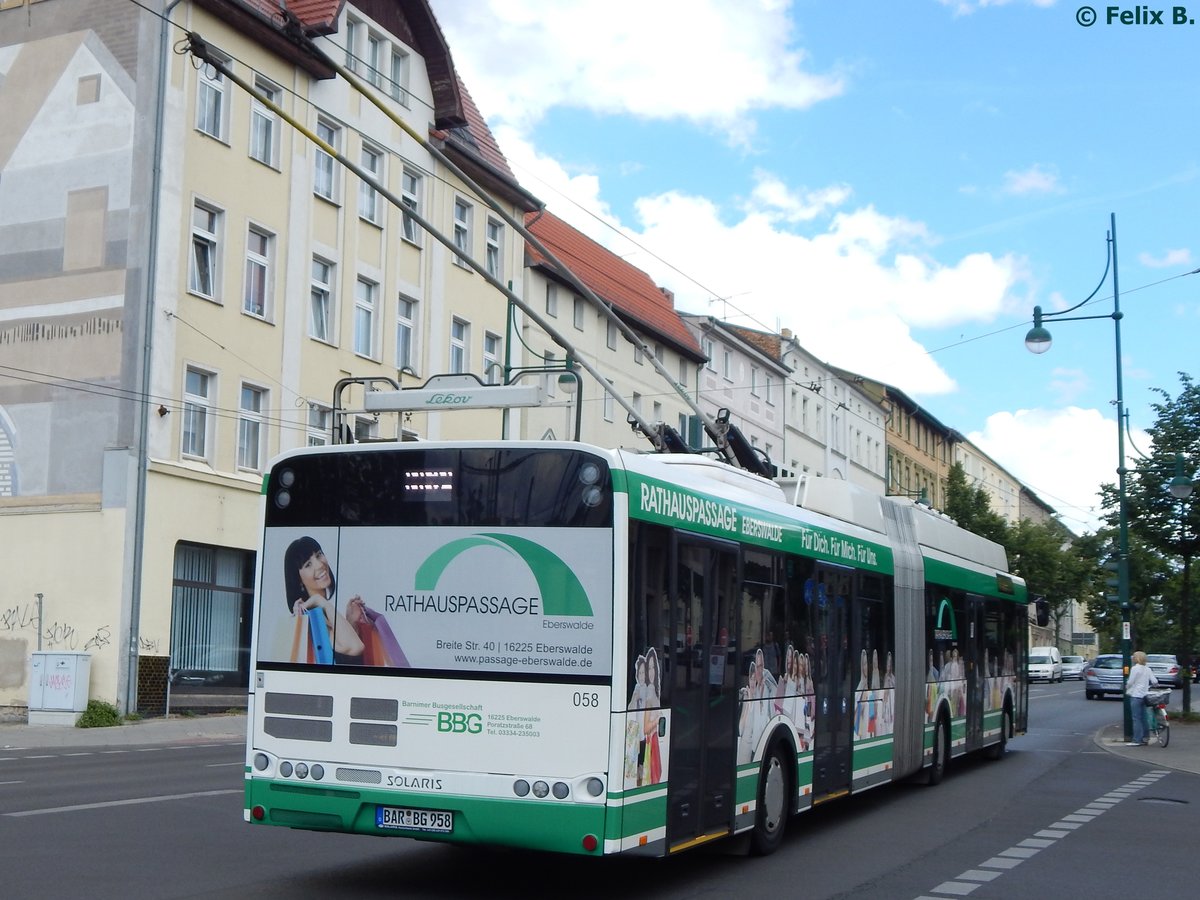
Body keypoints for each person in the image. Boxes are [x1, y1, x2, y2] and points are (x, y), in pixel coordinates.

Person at [284, 536, 364, 664]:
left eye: (319, 555)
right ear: (298, 579)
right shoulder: (312, 620)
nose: (320, 565)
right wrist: (320, 601)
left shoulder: (324, 616)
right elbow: (356, 647)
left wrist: (351, 623)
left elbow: (343, 657)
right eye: (308, 564)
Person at [1125, 650, 1159, 746]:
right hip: (1145, 696)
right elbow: (1155, 681)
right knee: (1144, 718)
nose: (1133, 658)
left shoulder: (1135, 668)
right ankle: (1145, 737)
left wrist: (1126, 687)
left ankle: (1137, 740)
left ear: (1137, 658)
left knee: (1136, 718)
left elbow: (1131, 682)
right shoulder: (1147, 669)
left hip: (1136, 695)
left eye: (1134, 657)